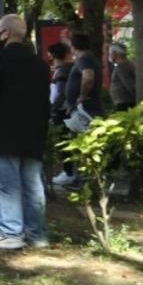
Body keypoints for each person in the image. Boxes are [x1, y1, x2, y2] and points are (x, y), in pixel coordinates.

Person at [0, 14, 50, 250]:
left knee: (6, 183)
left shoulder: (0, 58)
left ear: (5, 34)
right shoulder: (39, 63)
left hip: (4, 130)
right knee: (32, 183)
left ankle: (9, 232)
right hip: (32, 131)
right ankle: (37, 234)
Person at [56, 32, 104, 186]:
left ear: (73, 45)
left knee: (82, 144)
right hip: (83, 108)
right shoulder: (87, 58)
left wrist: (82, 96)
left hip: (86, 109)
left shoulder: (84, 59)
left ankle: (84, 179)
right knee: (79, 143)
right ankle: (81, 178)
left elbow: (88, 77)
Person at [109, 42, 136, 112]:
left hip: (125, 103)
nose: (110, 55)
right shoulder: (124, 64)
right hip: (124, 102)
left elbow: (129, 84)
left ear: (115, 53)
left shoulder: (122, 66)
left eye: (110, 53)